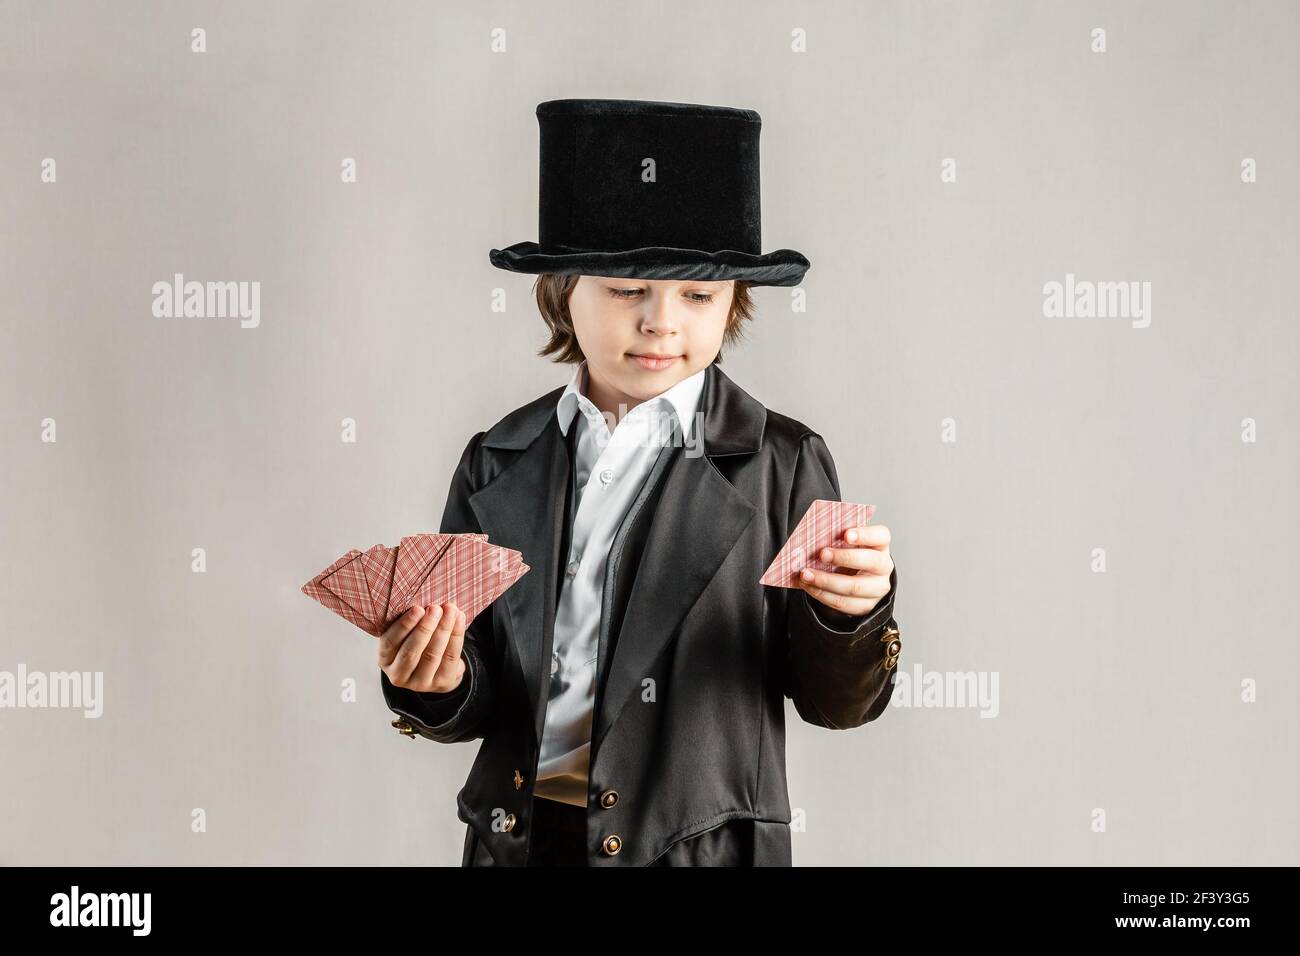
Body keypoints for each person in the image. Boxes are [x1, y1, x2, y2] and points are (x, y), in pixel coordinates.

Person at [377, 99, 902, 866]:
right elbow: (476, 696)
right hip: (519, 845)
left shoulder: (783, 461)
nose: (662, 322)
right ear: (563, 289)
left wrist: (850, 618)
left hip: (700, 851)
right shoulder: (497, 459)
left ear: (733, 303)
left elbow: (836, 703)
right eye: (628, 290)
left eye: (698, 296)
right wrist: (438, 680)